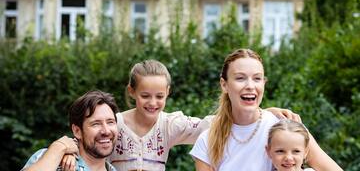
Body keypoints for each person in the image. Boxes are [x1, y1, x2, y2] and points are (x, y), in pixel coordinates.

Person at [63, 60, 300, 171]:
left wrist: (260, 113)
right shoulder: (115, 123)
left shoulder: (170, 124)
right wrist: (70, 154)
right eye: (145, 95)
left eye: (159, 96)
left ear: (167, 93)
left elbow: (213, 123)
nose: (153, 103)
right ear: (131, 92)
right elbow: (90, 139)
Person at [190, 48, 343, 171]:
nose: (250, 86)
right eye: (240, 78)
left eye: (257, 78)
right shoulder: (207, 140)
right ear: (224, 85)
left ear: (264, 83)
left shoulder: (285, 126)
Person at [22, 90, 119, 171]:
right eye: (96, 124)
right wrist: (59, 147)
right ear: (77, 131)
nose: (106, 131)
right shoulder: (53, 159)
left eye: (110, 122)